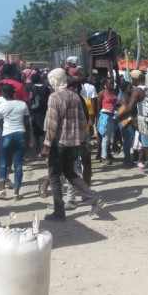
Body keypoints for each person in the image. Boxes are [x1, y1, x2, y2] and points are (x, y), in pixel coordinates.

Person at [41, 68, 104, 221]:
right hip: (73, 143)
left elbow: (51, 123)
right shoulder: (75, 97)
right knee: (70, 173)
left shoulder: (54, 97)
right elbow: (82, 121)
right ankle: (94, 198)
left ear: (55, 81)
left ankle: (59, 211)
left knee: (54, 175)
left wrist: (46, 145)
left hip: (59, 143)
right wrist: (82, 141)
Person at [0, 82, 30, 201]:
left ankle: (2, 189)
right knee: (18, 164)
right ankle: (16, 192)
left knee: (3, 162)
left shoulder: (1, 106)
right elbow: (26, 122)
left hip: (7, 135)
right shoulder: (23, 105)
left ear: (3, 94)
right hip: (20, 134)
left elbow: (1, 123)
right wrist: (28, 138)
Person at [117, 70, 148, 173]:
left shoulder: (137, 90)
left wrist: (119, 116)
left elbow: (129, 108)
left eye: (132, 79)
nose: (132, 81)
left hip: (145, 119)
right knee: (146, 144)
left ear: (136, 79)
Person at [96, 76, 118, 165]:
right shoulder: (102, 93)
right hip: (104, 116)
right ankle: (103, 156)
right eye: (110, 83)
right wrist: (97, 119)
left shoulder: (114, 92)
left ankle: (107, 154)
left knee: (109, 137)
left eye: (113, 83)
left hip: (112, 116)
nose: (112, 84)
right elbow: (98, 107)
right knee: (105, 137)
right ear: (105, 84)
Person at [27, 72, 51, 152]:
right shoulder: (46, 87)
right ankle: (45, 146)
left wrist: (28, 106)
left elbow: (30, 97)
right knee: (45, 128)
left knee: (36, 128)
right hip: (45, 110)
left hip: (35, 111)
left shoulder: (31, 87)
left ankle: (38, 148)